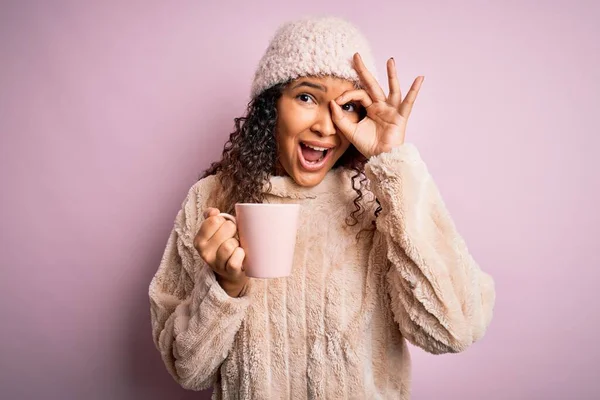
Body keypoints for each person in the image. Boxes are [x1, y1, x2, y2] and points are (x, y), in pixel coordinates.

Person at [149, 16, 495, 399]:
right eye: (306, 97)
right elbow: (187, 369)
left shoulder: (376, 201)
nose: (327, 127)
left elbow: (453, 330)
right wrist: (223, 288)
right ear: (271, 107)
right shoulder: (210, 201)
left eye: (346, 106)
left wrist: (393, 163)